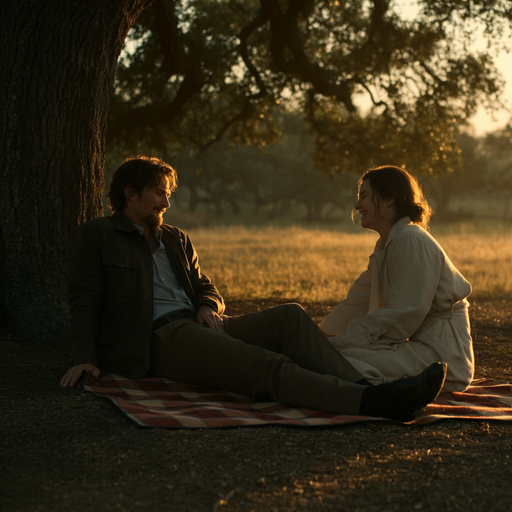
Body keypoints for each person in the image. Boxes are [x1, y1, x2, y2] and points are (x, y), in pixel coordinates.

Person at [60, 156, 448, 422]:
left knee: (289, 317)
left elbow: (203, 284)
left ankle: (361, 385)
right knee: (262, 365)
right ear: (130, 193)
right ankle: (373, 403)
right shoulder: (97, 235)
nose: (166, 201)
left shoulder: (175, 238)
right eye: (159, 193)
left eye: (168, 194)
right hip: (161, 337)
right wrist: (83, 356)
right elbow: (85, 300)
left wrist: (207, 304)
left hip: (201, 324)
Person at [319, 165, 474, 392]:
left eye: (364, 197)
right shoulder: (387, 245)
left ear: (389, 198)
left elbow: (404, 315)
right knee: (330, 356)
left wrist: (340, 344)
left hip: (443, 359)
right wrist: (318, 340)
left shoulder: (411, 240)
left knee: (342, 361)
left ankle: (380, 397)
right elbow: (355, 303)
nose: (357, 205)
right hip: (419, 349)